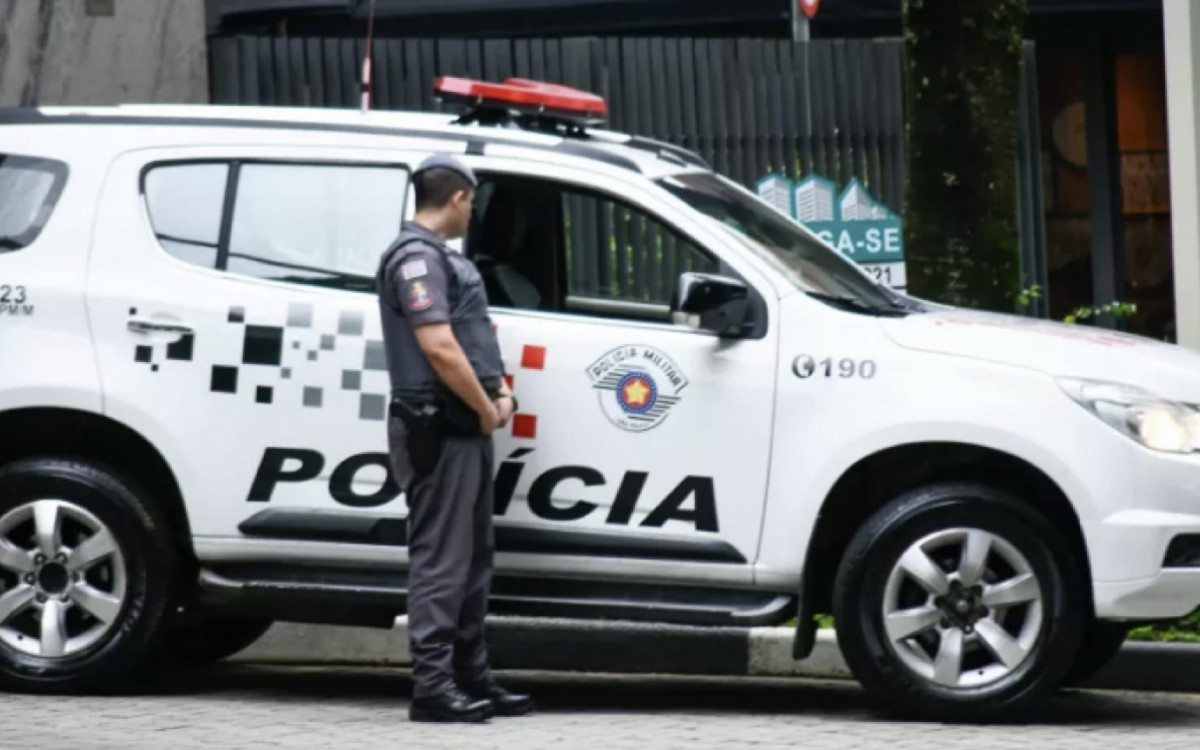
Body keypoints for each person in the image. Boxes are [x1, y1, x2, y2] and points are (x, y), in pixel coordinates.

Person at [377, 154, 533, 723]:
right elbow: (439, 346)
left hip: (459, 427)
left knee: (472, 561)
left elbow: (469, 341)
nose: (474, 214)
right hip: (438, 427)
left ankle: (470, 679)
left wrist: (498, 396)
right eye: (474, 204)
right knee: (442, 560)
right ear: (460, 198)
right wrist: (485, 408)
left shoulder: (441, 258)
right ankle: (433, 689)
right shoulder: (417, 258)